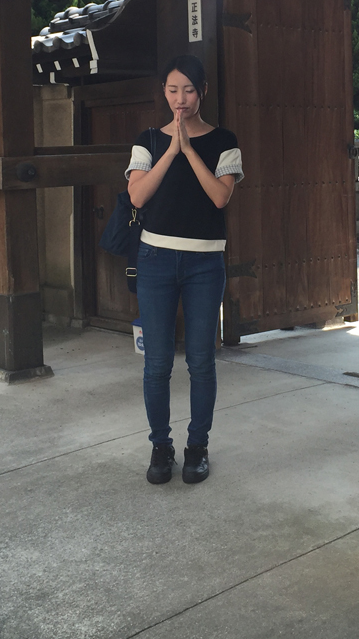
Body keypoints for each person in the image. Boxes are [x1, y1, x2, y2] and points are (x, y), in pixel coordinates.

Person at [125, 54, 243, 485]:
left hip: (204, 263)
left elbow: (219, 198)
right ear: (164, 92)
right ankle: (161, 447)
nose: (180, 98)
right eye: (173, 90)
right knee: (156, 364)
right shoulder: (147, 141)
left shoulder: (225, 141)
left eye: (189, 90)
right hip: (155, 259)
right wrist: (171, 148)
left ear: (203, 92)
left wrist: (189, 150)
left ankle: (197, 447)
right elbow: (138, 196)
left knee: (200, 361)